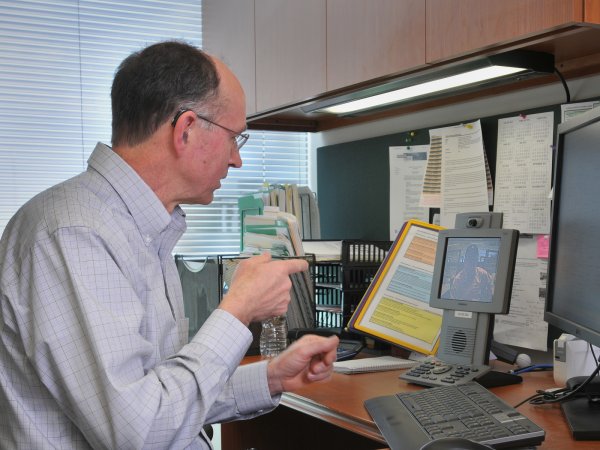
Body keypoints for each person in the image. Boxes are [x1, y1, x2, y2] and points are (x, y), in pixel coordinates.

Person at [0, 41, 338, 449]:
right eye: (235, 138)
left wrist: (271, 377)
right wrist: (238, 308)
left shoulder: (140, 227)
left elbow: (163, 396)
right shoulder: (74, 233)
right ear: (186, 129)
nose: (237, 160)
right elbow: (140, 432)